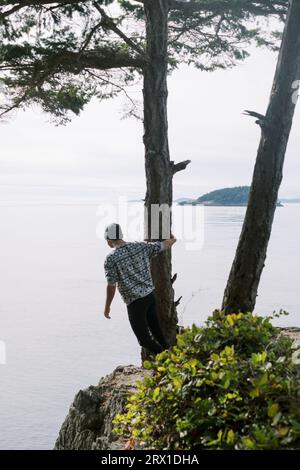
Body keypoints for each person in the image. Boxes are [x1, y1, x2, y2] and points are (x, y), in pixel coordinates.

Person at [103, 223, 176, 355]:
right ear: (121, 235)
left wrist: (107, 307)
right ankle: (172, 357)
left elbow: (111, 285)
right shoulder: (140, 247)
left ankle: (167, 360)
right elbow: (165, 245)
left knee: (144, 340)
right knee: (157, 332)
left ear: (109, 241)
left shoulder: (111, 259)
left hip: (135, 302)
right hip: (150, 297)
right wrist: (172, 237)